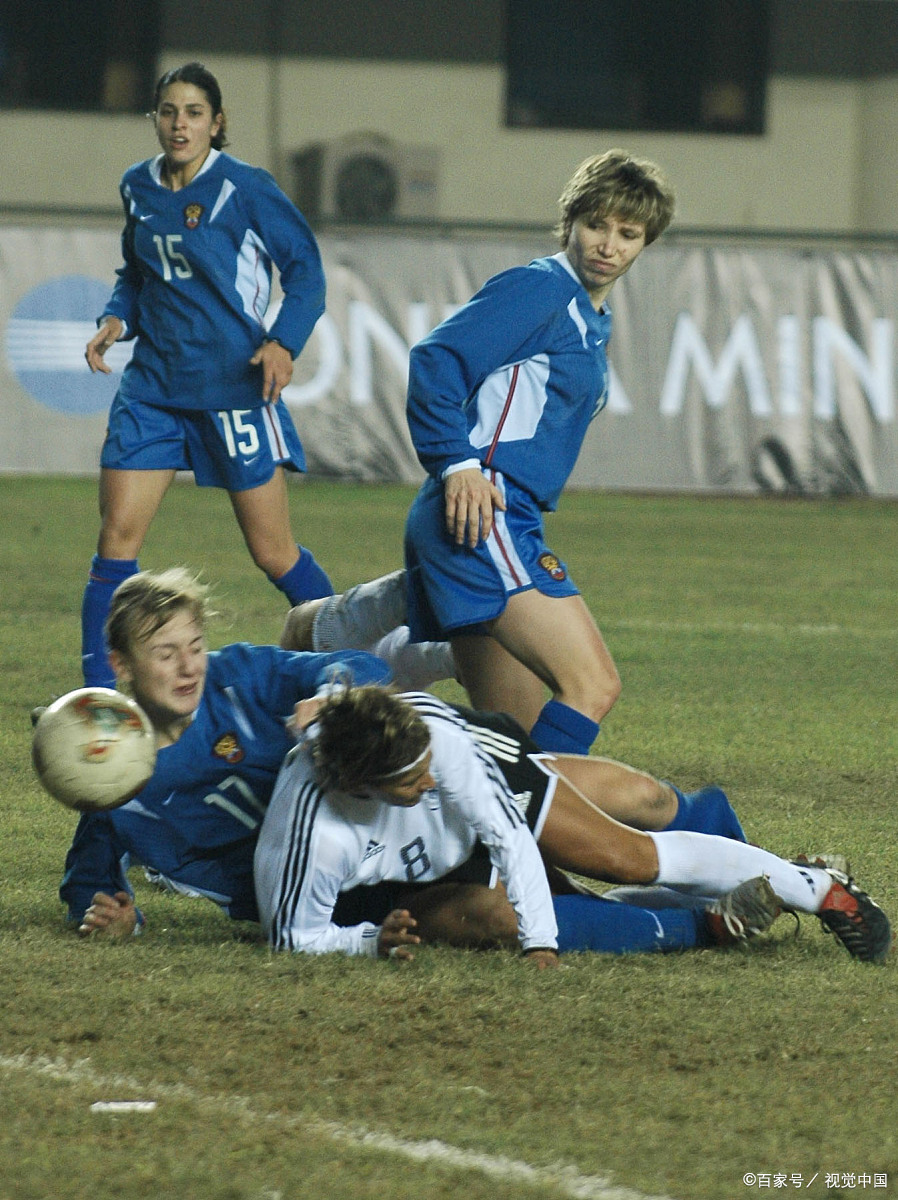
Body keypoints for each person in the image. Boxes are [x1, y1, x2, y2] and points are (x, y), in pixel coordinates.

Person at [255, 687, 893, 964]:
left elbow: (511, 840)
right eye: (409, 782)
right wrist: (371, 942)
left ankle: (815, 888)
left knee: (626, 857)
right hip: (423, 868)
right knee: (500, 915)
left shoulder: (442, 752)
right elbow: (296, 938)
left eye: (427, 767)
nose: (430, 783)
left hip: (488, 775)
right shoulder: (311, 837)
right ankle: (707, 923)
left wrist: (543, 945)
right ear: (356, 786)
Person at [403, 150, 676, 753]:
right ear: (571, 222)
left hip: (497, 516)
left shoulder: (590, 314)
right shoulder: (541, 289)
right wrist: (458, 464)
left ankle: (505, 835)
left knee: (523, 748)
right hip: (483, 512)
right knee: (594, 686)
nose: (609, 244)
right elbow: (435, 360)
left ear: (644, 243)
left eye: (628, 234)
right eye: (596, 225)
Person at [80, 61, 332, 689]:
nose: (179, 124)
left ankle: (355, 662)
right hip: (154, 391)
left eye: (194, 113)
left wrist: (282, 343)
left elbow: (307, 274)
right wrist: (117, 319)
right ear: (155, 120)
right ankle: (97, 698)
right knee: (117, 539)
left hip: (233, 389)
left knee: (274, 553)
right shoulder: (137, 186)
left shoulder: (245, 188)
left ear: (217, 123)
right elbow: (136, 273)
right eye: (168, 112)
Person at [61, 567, 391, 937]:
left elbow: (366, 667)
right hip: (315, 902)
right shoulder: (119, 783)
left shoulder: (235, 675)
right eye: (166, 654)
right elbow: (86, 886)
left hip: (380, 834)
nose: (189, 668)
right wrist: (118, 920)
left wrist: (329, 698)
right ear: (120, 664)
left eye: (196, 646)